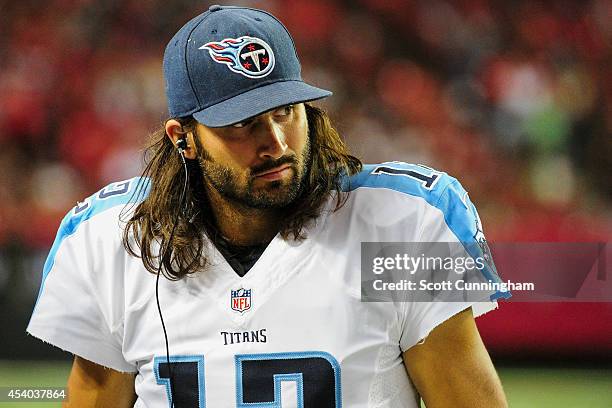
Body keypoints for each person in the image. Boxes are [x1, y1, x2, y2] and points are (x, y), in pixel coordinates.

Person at [28, 5, 509, 407]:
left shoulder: (403, 221)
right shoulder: (111, 238)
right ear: (184, 140)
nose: (276, 142)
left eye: (285, 111)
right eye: (241, 124)